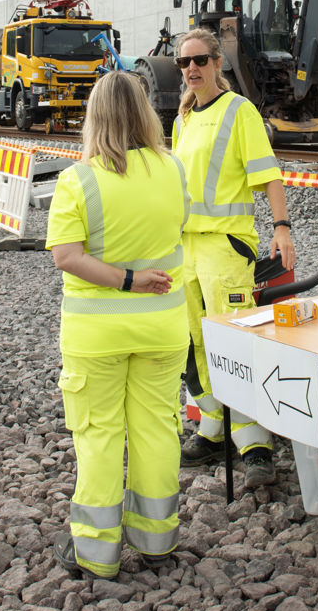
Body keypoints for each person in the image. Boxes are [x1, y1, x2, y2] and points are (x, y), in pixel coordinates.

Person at [46, 71, 190, 578]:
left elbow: (66, 256)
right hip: (164, 328)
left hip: (96, 335)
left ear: (94, 115)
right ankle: (157, 540)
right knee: (157, 429)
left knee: (99, 434)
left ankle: (96, 552)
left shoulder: (78, 178)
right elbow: (177, 231)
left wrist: (125, 280)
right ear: (146, 112)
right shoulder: (173, 170)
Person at [172, 28, 296, 489]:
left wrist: (281, 228)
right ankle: (213, 424)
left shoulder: (239, 112)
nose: (191, 69)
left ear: (216, 63)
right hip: (185, 247)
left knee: (234, 343)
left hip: (225, 246)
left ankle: (254, 441)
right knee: (193, 342)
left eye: (200, 60)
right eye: (183, 62)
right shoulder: (183, 118)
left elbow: (269, 175)